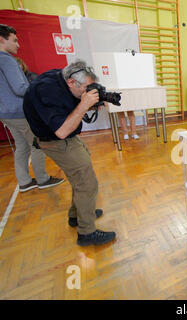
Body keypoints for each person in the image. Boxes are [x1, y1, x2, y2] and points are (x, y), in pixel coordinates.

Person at [23, 59, 116, 246]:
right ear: (72, 82)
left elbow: (70, 108)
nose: (88, 93)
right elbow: (62, 131)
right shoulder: (46, 91)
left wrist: (91, 101)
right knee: (87, 183)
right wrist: (84, 105)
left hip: (66, 138)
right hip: (57, 140)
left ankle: (77, 216)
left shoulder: (63, 77)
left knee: (79, 178)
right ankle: (86, 233)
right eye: (86, 88)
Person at [0, 24, 63, 192]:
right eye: (14, 40)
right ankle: (42, 179)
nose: (18, 45)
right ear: (1, 40)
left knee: (22, 147)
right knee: (38, 144)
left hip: (5, 113)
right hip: (19, 112)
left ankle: (25, 181)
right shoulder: (6, 60)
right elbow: (20, 89)